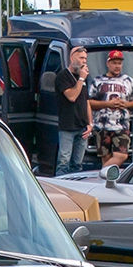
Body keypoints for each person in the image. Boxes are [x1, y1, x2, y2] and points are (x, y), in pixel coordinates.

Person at [87, 49, 133, 168]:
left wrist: (125, 104)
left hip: (121, 125)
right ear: (108, 64)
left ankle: (102, 174)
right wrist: (107, 104)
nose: (117, 66)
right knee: (106, 157)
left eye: (119, 63)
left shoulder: (127, 80)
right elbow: (89, 102)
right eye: (114, 63)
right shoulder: (98, 80)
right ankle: (106, 184)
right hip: (102, 124)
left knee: (121, 156)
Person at [55, 45, 92, 174]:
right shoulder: (63, 76)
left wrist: (90, 123)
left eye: (85, 59)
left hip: (82, 126)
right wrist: (81, 79)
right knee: (64, 161)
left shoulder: (84, 78)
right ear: (72, 57)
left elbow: (86, 101)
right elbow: (72, 96)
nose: (84, 61)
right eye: (81, 58)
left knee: (77, 163)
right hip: (67, 126)